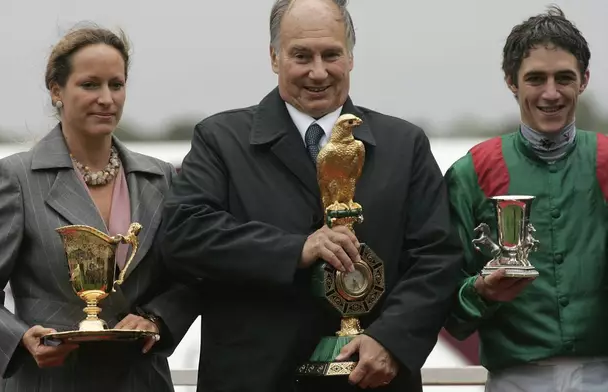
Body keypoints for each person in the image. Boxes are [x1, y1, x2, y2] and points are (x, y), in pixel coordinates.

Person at [160, 0, 462, 390]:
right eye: (301, 55)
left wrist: (392, 340)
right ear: (274, 57)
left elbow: (437, 259)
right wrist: (295, 249)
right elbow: (184, 235)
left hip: (371, 381)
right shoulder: (220, 140)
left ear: (350, 57)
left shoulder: (406, 146)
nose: (317, 72)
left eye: (331, 55)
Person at [0, 26, 199, 392]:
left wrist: (157, 318)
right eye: (90, 85)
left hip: (142, 380)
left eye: (116, 85)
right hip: (48, 382)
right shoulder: (16, 179)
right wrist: (21, 339)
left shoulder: (162, 179)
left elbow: (192, 275)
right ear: (56, 90)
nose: (106, 98)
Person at [443, 6, 608, 391]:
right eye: (536, 78)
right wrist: (480, 292)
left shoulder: (606, 161)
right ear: (511, 82)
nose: (551, 93)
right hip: (514, 378)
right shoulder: (472, 172)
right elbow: (445, 302)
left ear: (583, 80)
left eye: (563, 78)